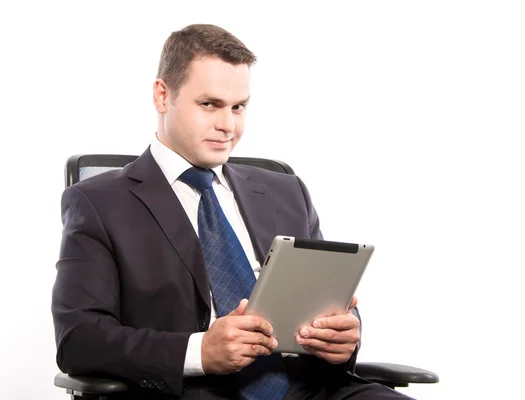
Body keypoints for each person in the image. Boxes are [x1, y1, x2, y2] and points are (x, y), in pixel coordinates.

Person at [52, 24, 411, 400]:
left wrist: (343, 335)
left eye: (238, 107)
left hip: (307, 386)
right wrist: (199, 353)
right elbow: (79, 339)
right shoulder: (99, 202)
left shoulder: (285, 190)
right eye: (209, 104)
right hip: (191, 390)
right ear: (162, 96)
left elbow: (325, 302)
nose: (228, 126)